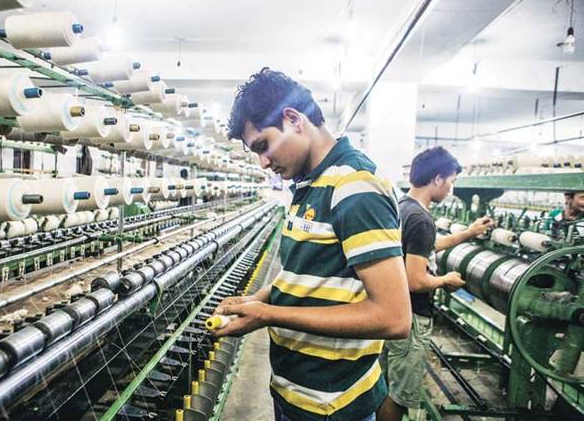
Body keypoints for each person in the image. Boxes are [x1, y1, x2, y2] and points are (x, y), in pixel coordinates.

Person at [211, 68, 412, 421]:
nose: (263, 162)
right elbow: (306, 275)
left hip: (332, 405)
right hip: (297, 393)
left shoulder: (355, 186)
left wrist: (268, 315)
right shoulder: (309, 184)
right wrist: (259, 299)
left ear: (293, 119)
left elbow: (394, 317)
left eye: (263, 145)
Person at [377, 147, 493, 421]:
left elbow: (423, 248)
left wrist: (468, 233)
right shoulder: (422, 220)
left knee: (383, 384)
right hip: (412, 318)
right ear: (438, 179)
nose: (451, 188)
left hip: (393, 310)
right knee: (400, 395)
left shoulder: (403, 208)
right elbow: (416, 280)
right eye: (451, 181)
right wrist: (445, 280)